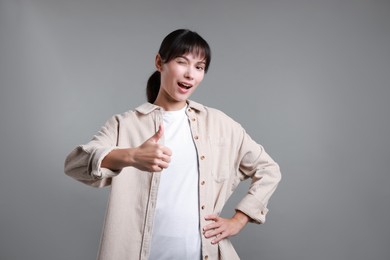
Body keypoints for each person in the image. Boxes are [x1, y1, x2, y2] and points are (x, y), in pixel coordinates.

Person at [64, 29, 281, 260]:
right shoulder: (124, 124)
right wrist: (132, 156)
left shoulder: (220, 125)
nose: (190, 74)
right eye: (182, 62)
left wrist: (240, 219)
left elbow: (268, 169)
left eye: (199, 67)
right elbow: (75, 164)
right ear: (160, 62)